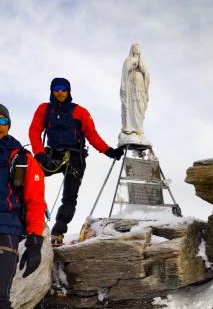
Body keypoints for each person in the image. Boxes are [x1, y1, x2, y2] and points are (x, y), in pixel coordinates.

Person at [29, 78, 124, 246]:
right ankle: (30, 219)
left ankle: (58, 232)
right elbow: (34, 131)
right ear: (52, 91)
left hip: (75, 157)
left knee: (70, 197)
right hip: (52, 155)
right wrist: (39, 153)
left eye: (63, 89)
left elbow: (92, 135)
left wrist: (109, 151)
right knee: (29, 175)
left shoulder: (80, 112)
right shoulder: (44, 109)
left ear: (69, 91)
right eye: (56, 88)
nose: (60, 92)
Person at [0, 104, 46, 309]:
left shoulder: (21, 158)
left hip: (6, 230)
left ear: (8, 125)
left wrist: (34, 242)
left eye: (3, 121)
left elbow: (35, 200)